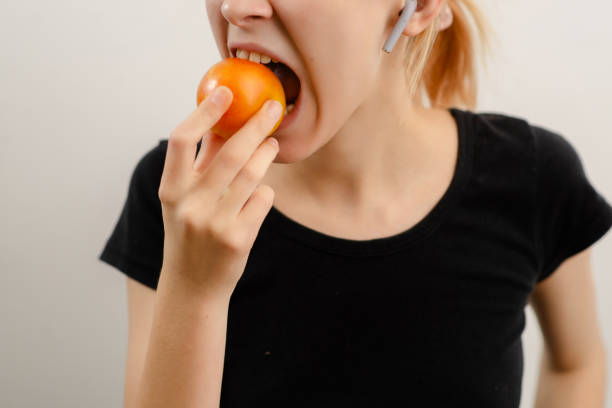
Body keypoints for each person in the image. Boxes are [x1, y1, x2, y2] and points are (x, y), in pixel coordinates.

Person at [98, 1, 612, 407]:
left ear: (419, 6)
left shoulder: (534, 176)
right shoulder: (180, 193)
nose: (237, 7)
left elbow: (577, 364)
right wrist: (193, 290)